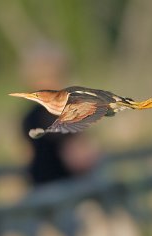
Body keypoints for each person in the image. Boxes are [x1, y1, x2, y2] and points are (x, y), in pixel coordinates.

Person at [19, 44, 99, 186]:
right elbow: (78, 158)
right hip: (66, 185)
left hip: (40, 186)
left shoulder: (28, 116)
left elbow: (26, 156)